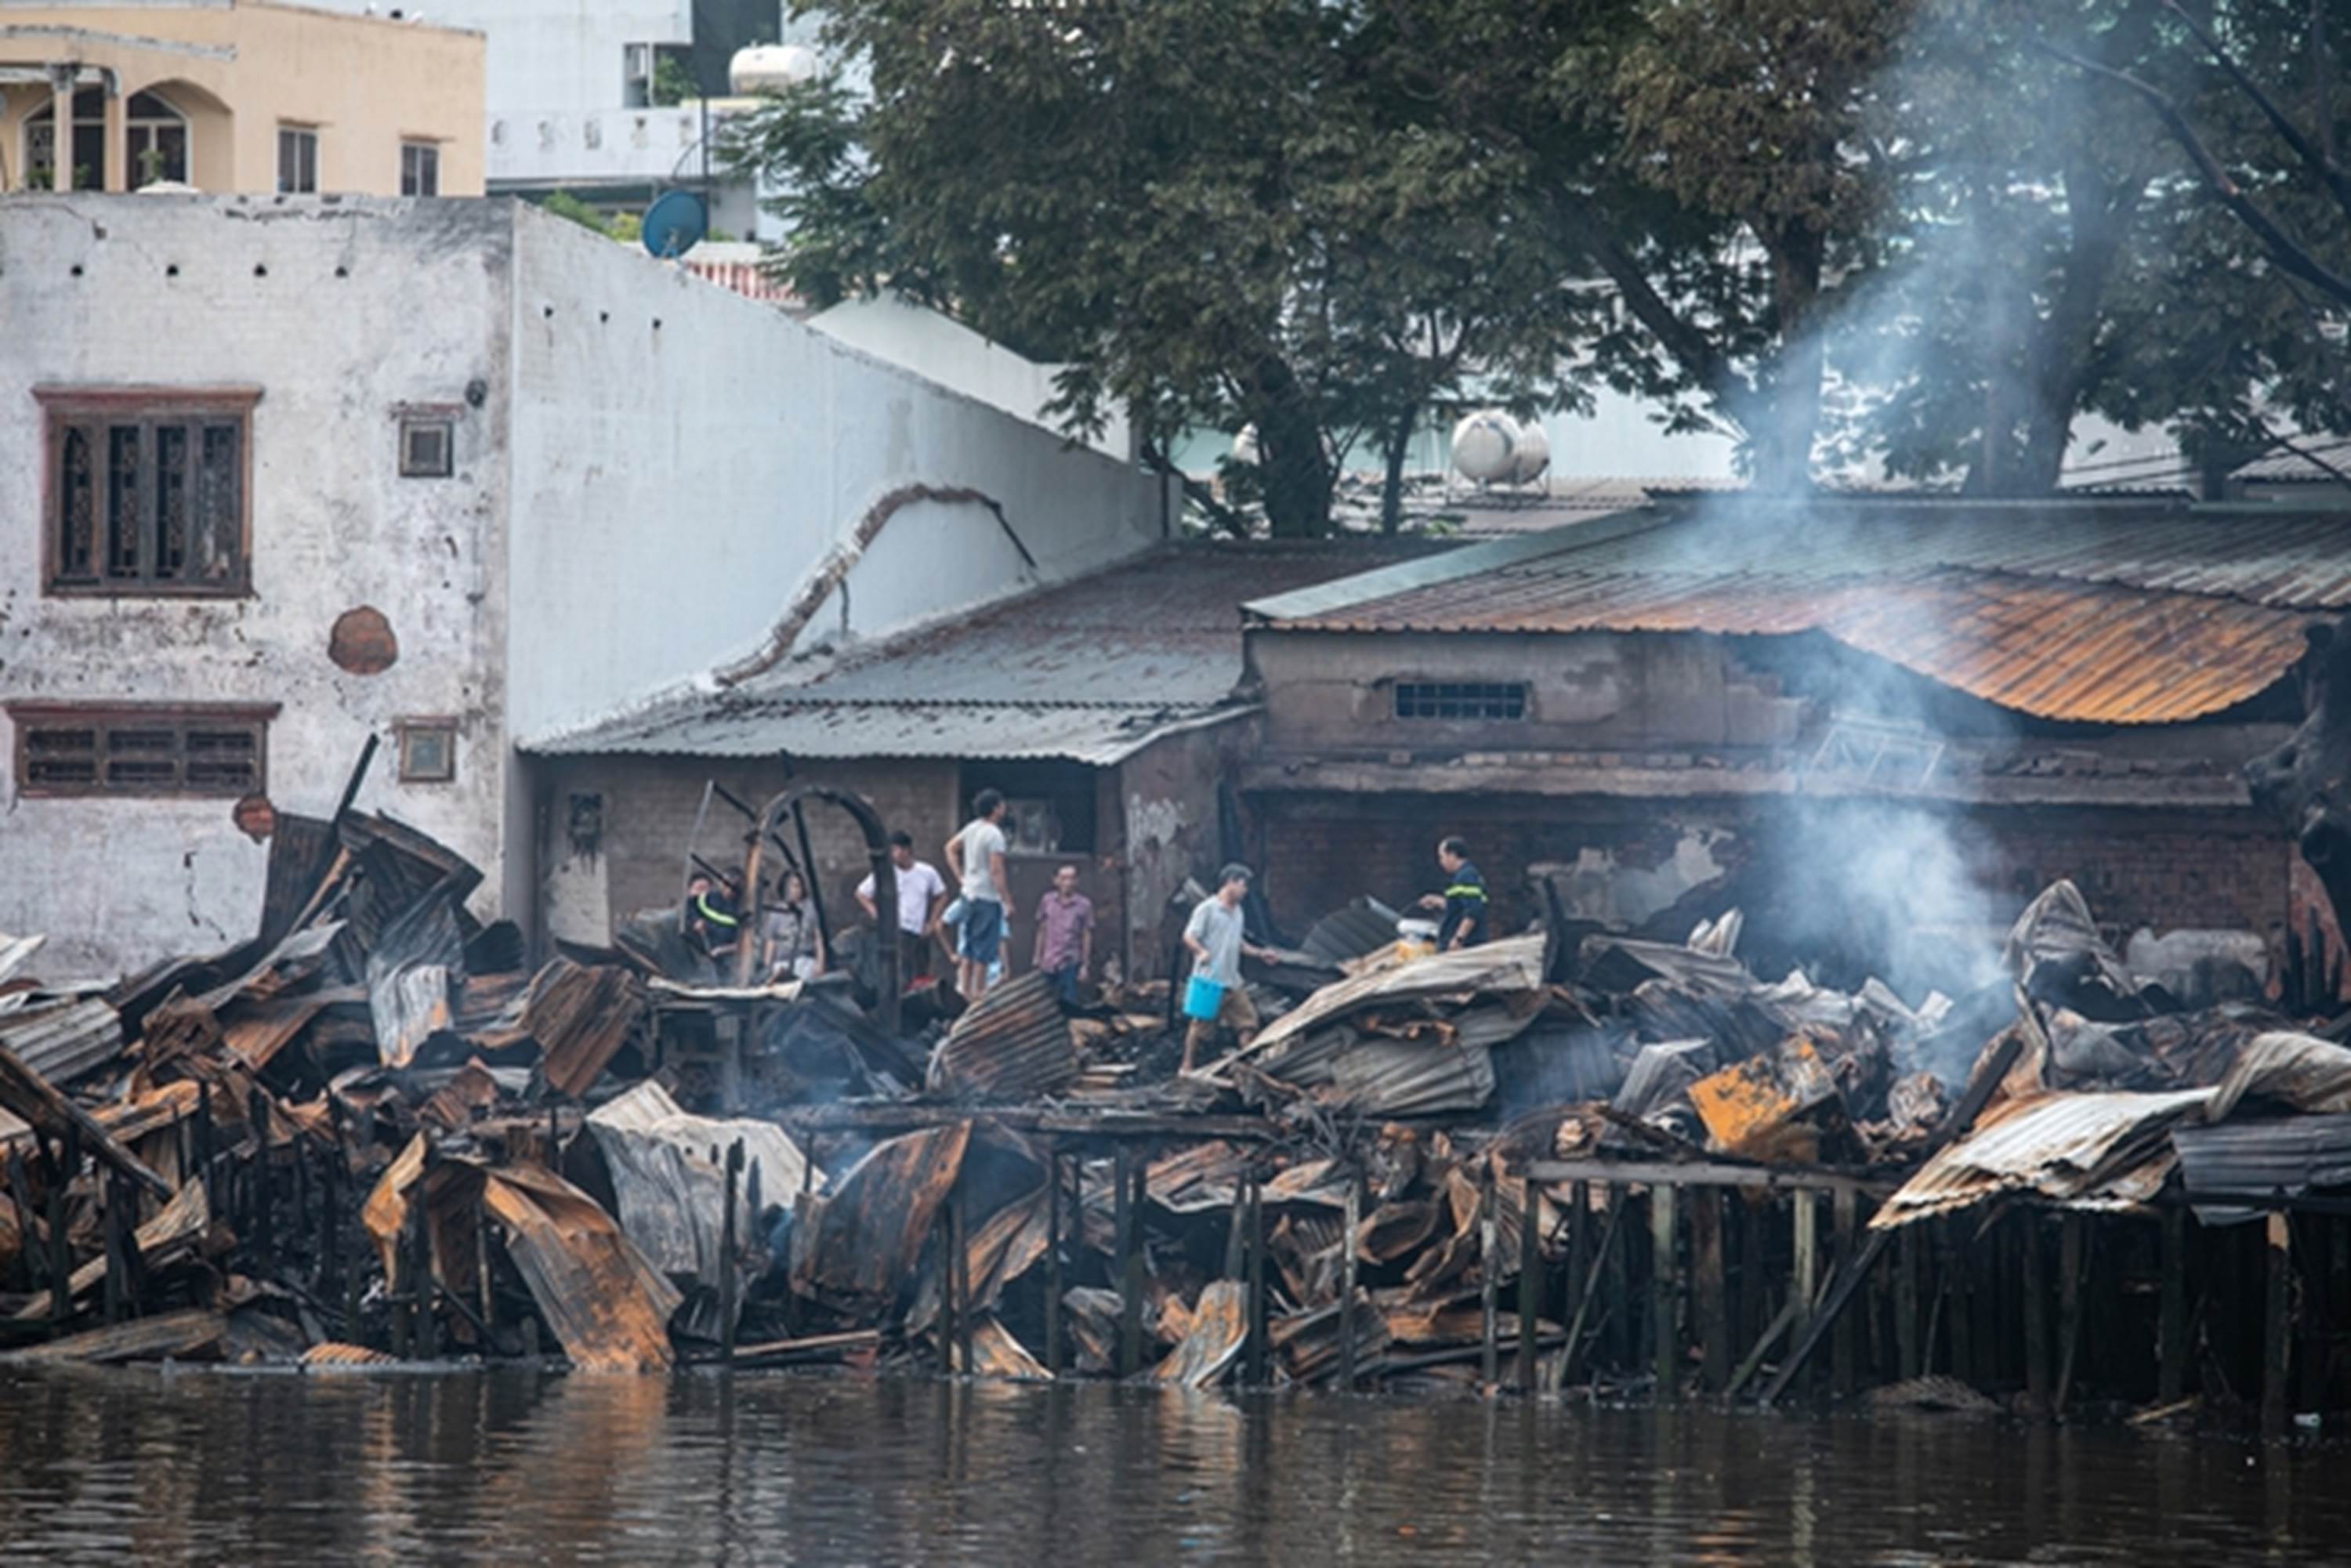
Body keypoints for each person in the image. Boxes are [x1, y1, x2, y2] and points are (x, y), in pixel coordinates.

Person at [1181, 863, 1277, 1074]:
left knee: (1248, 1022)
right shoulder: (1207, 909)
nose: (1245, 890)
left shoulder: (1238, 912)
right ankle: (1187, 1065)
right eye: (1242, 885)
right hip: (1209, 980)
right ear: (1230, 883)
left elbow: (1238, 943)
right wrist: (1200, 952)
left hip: (1232, 980)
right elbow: (1189, 936)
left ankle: (1250, 1066)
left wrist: (1261, 954)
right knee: (1199, 1026)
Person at [857, 831, 950, 986]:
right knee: (902, 973)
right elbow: (862, 894)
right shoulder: (886, 873)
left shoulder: (927, 872)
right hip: (898, 929)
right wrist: (878, 914)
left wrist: (932, 922)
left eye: (896, 850)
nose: (893, 854)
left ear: (907, 850)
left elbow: (941, 895)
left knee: (921, 972)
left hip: (919, 930)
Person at [943, 789, 1011, 999]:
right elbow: (996, 870)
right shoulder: (994, 834)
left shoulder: (971, 828)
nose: (1003, 808)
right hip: (986, 897)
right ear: (996, 808)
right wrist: (1006, 899)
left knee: (968, 945)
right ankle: (977, 991)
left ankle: (964, 988)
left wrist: (961, 876)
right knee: (984, 949)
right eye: (1001, 805)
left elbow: (950, 848)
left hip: (968, 894)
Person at [1031, 864, 1095, 1005]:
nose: (1068, 883)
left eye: (1072, 879)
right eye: (1064, 878)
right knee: (1044, 1002)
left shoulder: (1084, 905)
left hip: (1070, 961)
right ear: (1056, 881)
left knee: (1068, 1003)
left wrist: (1085, 965)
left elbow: (1087, 935)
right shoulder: (1047, 901)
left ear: (1077, 881)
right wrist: (1037, 956)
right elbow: (1042, 929)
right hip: (1048, 961)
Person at [1417, 836, 1490, 951]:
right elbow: (1458, 907)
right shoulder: (1464, 876)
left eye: (1442, 857)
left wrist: (1458, 939)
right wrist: (1437, 901)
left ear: (1452, 855)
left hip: (1465, 946)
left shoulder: (1466, 877)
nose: (1441, 862)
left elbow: (1473, 910)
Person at [760, 869, 825, 982]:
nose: (795, 890)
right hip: (782, 962)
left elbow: (817, 938)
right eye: (792, 886)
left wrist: (820, 964)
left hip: (804, 961)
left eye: (798, 886)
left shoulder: (809, 909)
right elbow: (771, 942)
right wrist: (767, 968)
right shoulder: (776, 912)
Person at [696, 866, 746, 965]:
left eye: (734, 887)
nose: (729, 890)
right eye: (726, 885)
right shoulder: (709, 899)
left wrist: (722, 950)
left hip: (729, 959)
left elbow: (746, 943)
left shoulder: (742, 908)